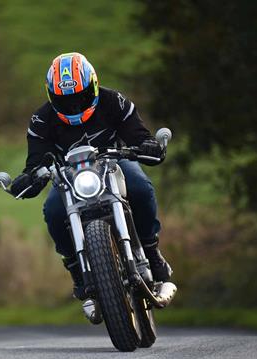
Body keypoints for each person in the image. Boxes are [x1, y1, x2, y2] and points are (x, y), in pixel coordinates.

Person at [10, 52, 172, 300]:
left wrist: (149, 145)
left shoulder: (114, 101)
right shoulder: (40, 120)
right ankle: (77, 270)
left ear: (93, 86)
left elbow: (139, 136)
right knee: (52, 211)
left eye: (80, 97)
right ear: (51, 96)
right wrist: (29, 177)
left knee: (140, 187)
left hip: (114, 163)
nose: (74, 106)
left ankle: (151, 251)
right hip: (68, 176)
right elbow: (36, 161)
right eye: (65, 101)